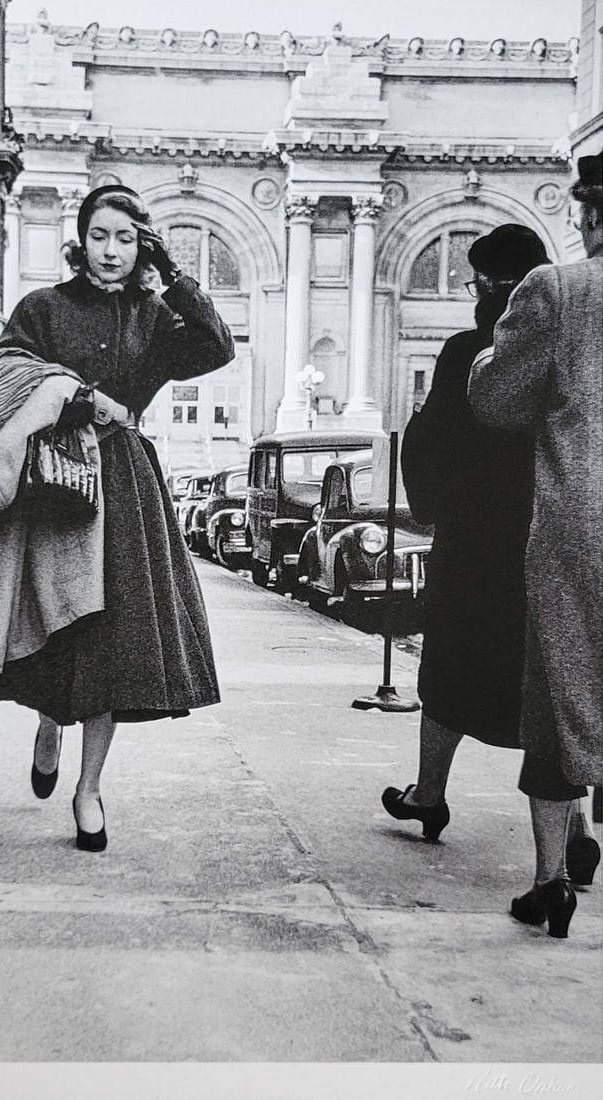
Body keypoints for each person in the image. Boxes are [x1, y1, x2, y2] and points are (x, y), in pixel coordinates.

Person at [0, 184, 235, 852]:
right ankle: (50, 724)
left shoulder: (154, 315)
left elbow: (216, 347)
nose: (111, 251)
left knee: (113, 639)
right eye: (100, 235)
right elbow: (5, 377)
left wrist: (171, 275)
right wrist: (80, 401)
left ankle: (89, 791)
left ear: (140, 243)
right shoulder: (43, 308)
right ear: (79, 239)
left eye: (125, 237)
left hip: (126, 486)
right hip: (55, 481)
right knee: (57, 623)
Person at [467, 152, 602, 938]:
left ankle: (551, 879)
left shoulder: (559, 290)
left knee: (558, 691)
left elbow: (496, 400)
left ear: (587, 216)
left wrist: (490, 352)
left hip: (579, 530)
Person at [381, 224, 548, 843]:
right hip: (547, 535)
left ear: (487, 287)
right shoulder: (568, 345)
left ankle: (429, 793)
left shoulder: (466, 351)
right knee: (546, 678)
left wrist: (432, 504)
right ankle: (573, 829)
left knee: (449, 666)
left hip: (476, 539)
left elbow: (430, 441)